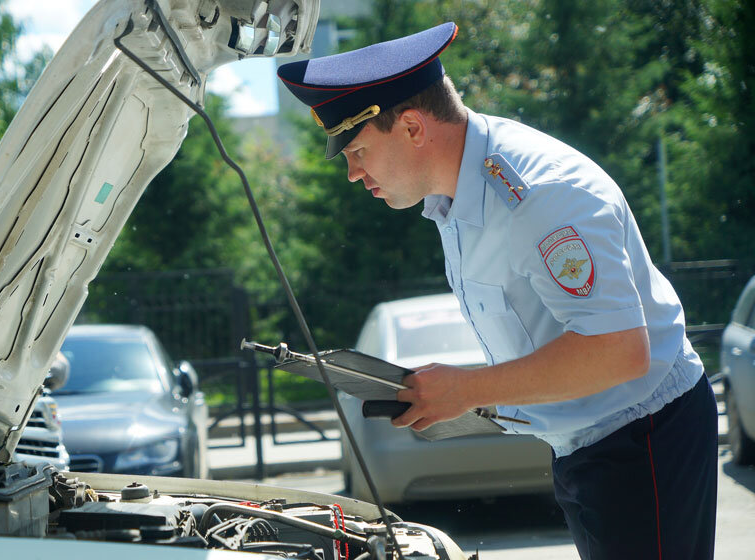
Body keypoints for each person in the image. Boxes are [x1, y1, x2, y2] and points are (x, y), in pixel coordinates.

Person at [277, 22, 717, 560]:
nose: (351, 172)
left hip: (643, 437)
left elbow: (618, 351)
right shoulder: (457, 193)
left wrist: (467, 389)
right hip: (592, 444)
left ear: (413, 128)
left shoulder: (538, 195)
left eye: (358, 150)